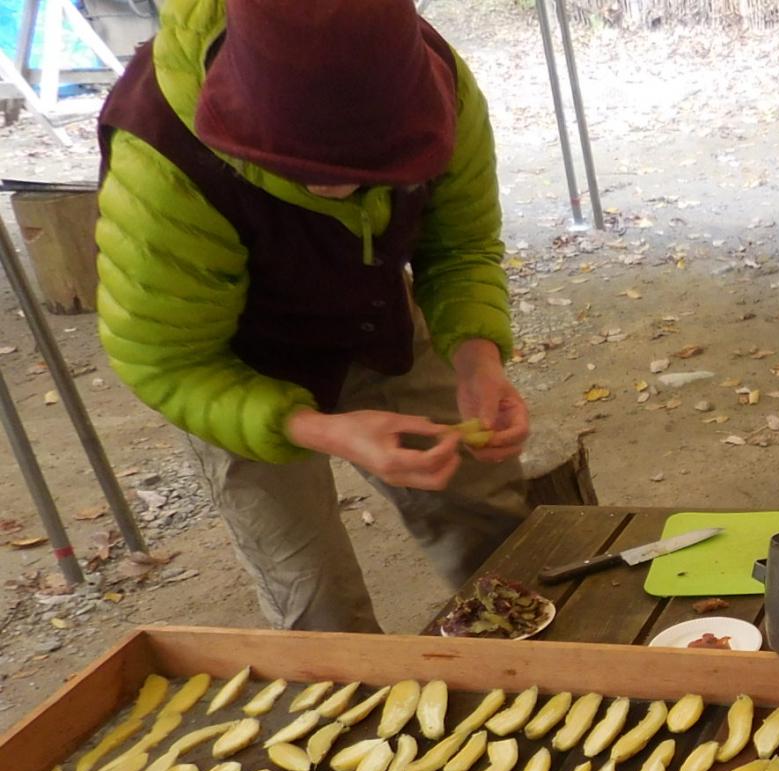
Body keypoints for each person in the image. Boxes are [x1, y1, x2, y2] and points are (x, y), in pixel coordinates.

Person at [95, 0, 530, 633]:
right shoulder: (162, 159)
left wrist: (476, 356)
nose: (341, 191)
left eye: (373, 171)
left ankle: (536, 666)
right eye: (309, 174)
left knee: (488, 517)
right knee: (314, 598)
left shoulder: (437, 87)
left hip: (371, 315)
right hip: (233, 363)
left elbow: (461, 246)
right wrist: (321, 428)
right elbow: (167, 362)